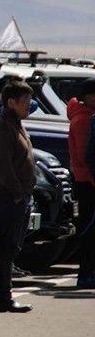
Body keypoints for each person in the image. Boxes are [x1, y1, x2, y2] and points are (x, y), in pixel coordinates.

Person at [0, 79, 36, 312]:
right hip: (7, 196)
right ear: (11, 102)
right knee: (6, 248)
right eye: (24, 101)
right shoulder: (2, 127)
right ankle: (4, 298)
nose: (29, 105)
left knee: (13, 247)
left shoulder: (16, 123)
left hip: (19, 195)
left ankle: (5, 296)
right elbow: (2, 166)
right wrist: (17, 194)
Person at [68, 78, 95, 289]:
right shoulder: (83, 120)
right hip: (87, 182)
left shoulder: (85, 116)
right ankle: (85, 274)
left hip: (86, 179)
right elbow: (86, 155)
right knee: (88, 230)